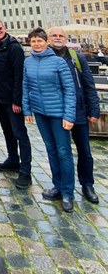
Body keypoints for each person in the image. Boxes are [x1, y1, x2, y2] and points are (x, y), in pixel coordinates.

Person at [23, 27, 76, 212]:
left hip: (58, 113)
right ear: (30, 43)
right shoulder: (28, 62)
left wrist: (69, 115)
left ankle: (68, 192)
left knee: (64, 152)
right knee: (51, 150)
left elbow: (70, 90)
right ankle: (57, 186)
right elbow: (26, 86)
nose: (36, 44)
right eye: (33, 41)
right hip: (40, 113)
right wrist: (27, 109)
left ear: (46, 42)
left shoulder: (58, 62)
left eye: (40, 40)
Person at [48, 27, 100, 204]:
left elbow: (88, 84)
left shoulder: (77, 58)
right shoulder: (44, 57)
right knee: (58, 151)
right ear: (48, 39)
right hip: (55, 112)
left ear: (66, 38)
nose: (57, 38)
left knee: (84, 150)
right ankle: (60, 185)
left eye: (60, 35)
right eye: (54, 35)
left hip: (78, 111)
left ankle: (87, 184)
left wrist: (93, 109)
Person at [0, 19, 32, 189]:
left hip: (12, 100)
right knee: (8, 131)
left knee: (20, 133)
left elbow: (19, 75)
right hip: (0, 97)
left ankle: (26, 171)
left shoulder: (14, 47)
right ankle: (13, 159)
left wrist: (17, 100)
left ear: (5, 28)